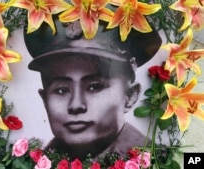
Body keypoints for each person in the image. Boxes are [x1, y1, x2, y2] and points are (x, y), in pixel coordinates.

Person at [23, 17, 162, 160]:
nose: (76, 105)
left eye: (95, 87)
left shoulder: (158, 162)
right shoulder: (32, 163)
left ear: (129, 96)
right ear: (45, 100)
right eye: (61, 90)